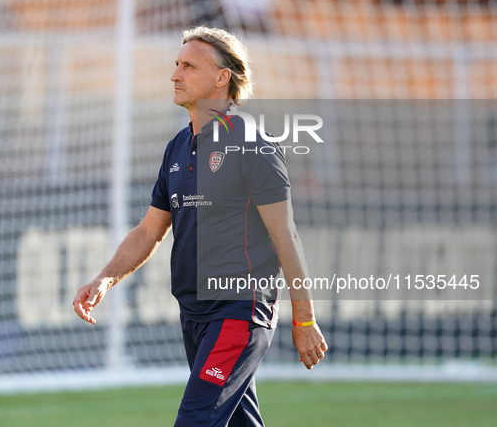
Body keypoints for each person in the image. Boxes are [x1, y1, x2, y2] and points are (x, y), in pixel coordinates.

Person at [73, 26, 327, 427]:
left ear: (222, 77)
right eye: (177, 65)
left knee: (195, 421)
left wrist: (305, 318)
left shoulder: (252, 145)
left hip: (238, 311)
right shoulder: (177, 146)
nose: (175, 75)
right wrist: (105, 278)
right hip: (193, 312)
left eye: (189, 66)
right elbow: (149, 231)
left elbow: (285, 235)